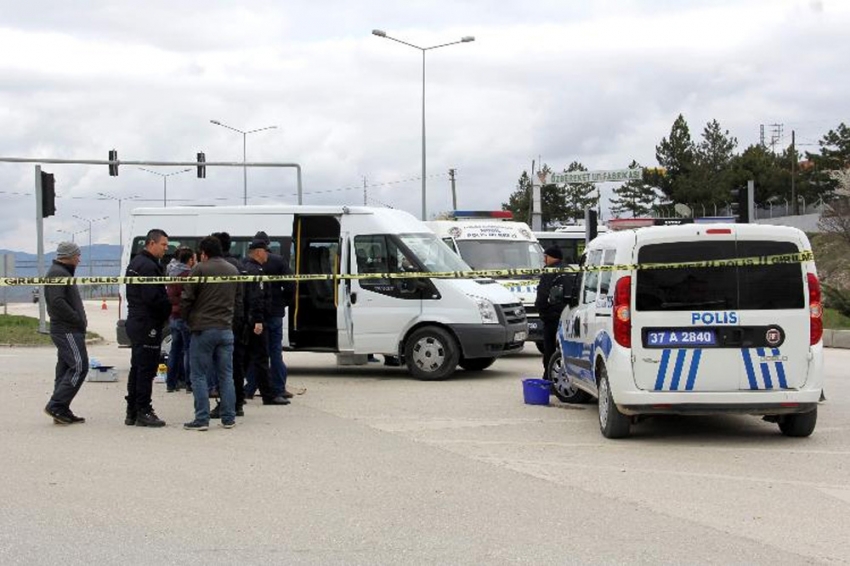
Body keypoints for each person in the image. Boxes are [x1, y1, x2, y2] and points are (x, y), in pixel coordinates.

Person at [180, 236, 240, 430]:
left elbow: (187, 297)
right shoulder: (233, 270)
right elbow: (239, 300)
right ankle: (229, 417)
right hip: (226, 329)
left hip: (203, 329)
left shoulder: (200, 269)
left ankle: (202, 419)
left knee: (198, 375)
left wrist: (187, 319)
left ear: (203, 253)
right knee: (226, 375)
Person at [124, 228, 171, 427]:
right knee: (146, 369)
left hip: (137, 321)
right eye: (164, 245)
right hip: (146, 323)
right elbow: (153, 298)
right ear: (151, 243)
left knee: (137, 368)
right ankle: (143, 409)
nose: (166, 250)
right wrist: (167, 308)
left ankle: (132, 410)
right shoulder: (148, 266)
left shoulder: (136, 263)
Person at [43, 241, 89, 425]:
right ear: (68, 256)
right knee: (79, 366)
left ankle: (61, 409)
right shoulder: (57, 273)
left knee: (64, 369)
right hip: (67, 329)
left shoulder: (63, 273)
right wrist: (76, 319)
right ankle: (56, 404)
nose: (79, 259)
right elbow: (57, 303)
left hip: (70, 328)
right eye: (77, 255)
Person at [242, 238, 289, 406]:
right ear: (259, 252)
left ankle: (244, 392)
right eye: (265, 251)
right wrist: (259, 320)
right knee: (262, 357)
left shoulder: (245, 267)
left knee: (248, 358)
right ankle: (269, 395)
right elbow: (256, 298)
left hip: (248, 319)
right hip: (257, 320)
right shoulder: (255, 271)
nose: (267, 255)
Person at [254, 230, 297, 398]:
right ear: (268, 244)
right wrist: (285, 302)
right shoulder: (278, 261)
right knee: (275, 352)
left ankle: (252, 387)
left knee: (256, 352)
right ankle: (279, 388)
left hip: (257, 314)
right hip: (275, 312)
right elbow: (290, 285)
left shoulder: (249, 262)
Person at [209, 231, 246, 418]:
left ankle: (226, 404)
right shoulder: (239, 264)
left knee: (224, 367)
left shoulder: (220, 267)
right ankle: (237, 402)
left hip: (224, 321)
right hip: (238, 319)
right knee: (235, 365)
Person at [165, 246, 195, 393]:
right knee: (189, 350)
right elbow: (189, 296)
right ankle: (189, 383)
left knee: (174, 350)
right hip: (184, 316)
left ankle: (170, 383)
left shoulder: (171, 271)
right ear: (190, 260)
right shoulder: (188, 275)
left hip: (173, 315)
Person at [535, 246, 566, 381]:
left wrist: (543, 312)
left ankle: (549, 380)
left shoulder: (550, 271)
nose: (544, 260)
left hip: (552, 318)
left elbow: (543, 294)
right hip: (568, 315)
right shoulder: (570, 269)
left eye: (545, 256)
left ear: (551, 257)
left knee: (550, 350)